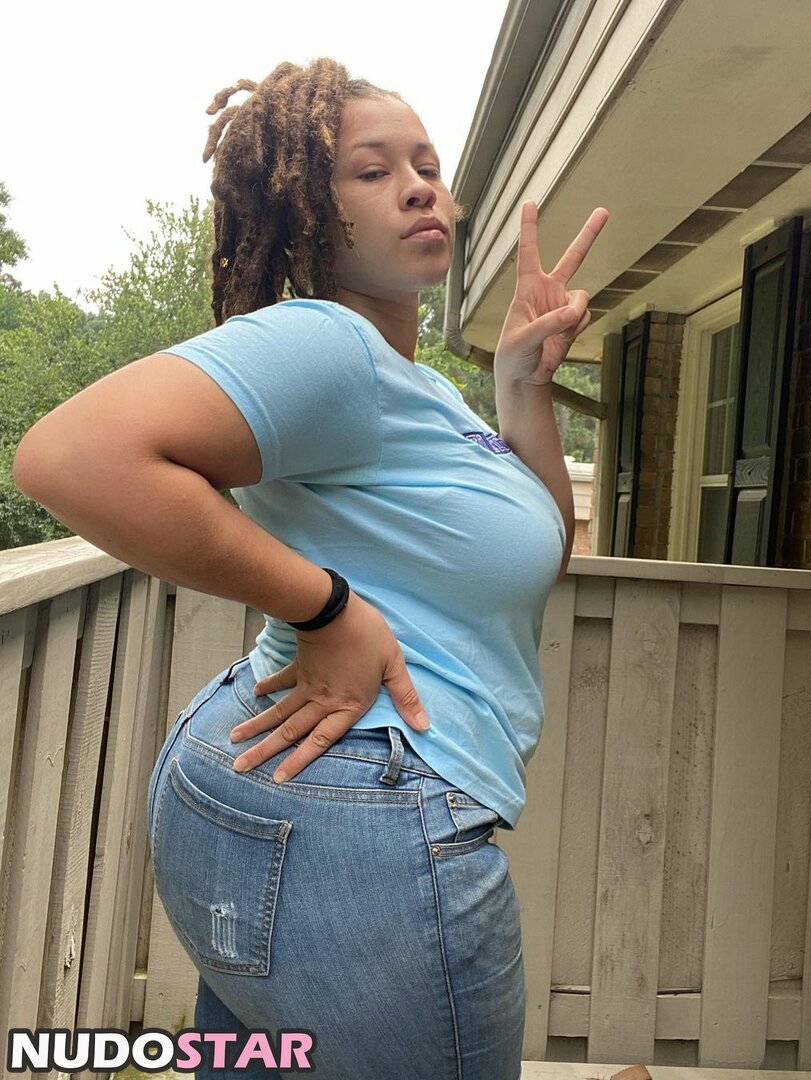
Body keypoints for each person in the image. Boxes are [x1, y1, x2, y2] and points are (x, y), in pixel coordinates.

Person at [13, 58, 607, 1080]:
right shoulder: (328, 344)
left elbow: (543, 548)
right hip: (356, 805)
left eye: (427, 166)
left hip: (278, 782)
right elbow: (68, 459)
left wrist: (521, 386)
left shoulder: (418, 386)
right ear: (303, 212)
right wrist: (326, 607)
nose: (419, 188)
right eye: (373, 172)